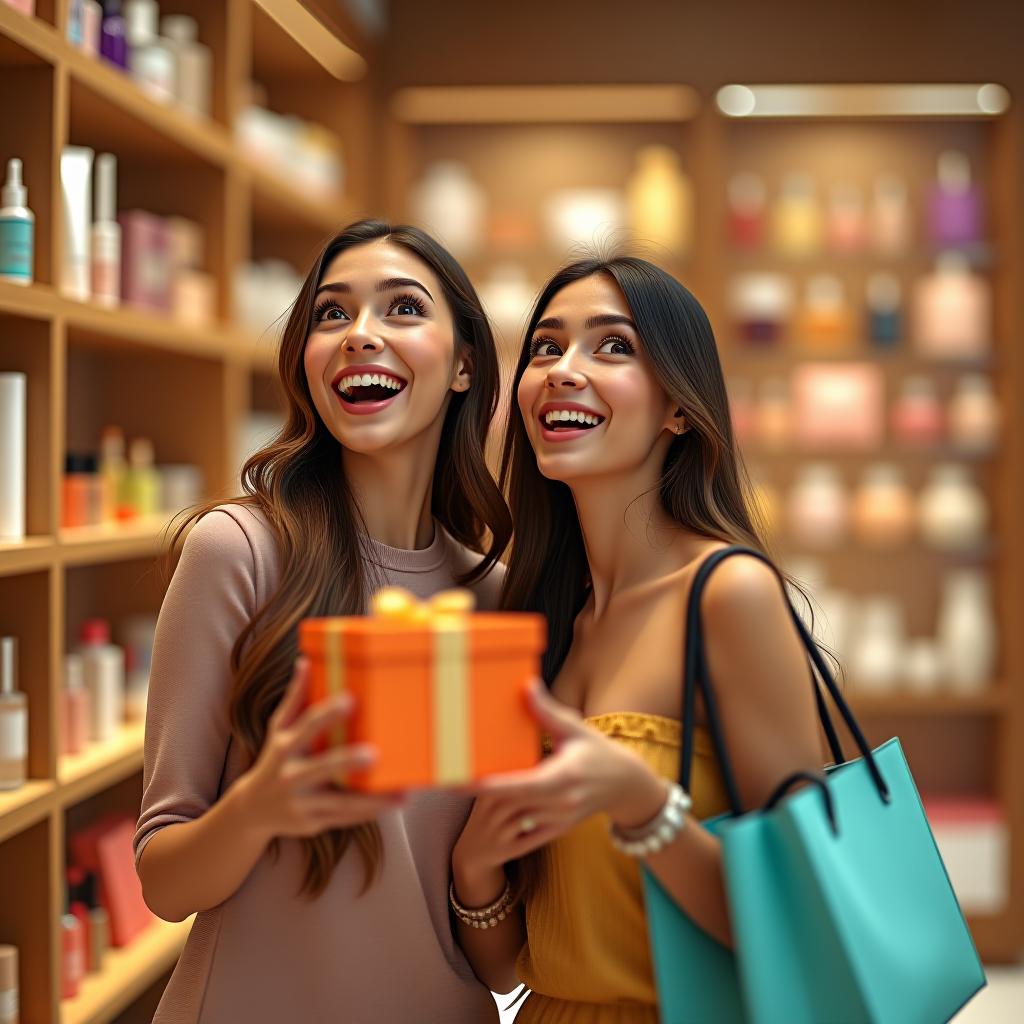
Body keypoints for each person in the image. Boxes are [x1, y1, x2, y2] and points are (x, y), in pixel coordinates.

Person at [134, 219, 509, 1022]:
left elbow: (496, 958)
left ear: (465, 363)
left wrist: (483, 868)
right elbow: (164, 883)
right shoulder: (238, 553)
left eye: (402, 309)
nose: (359, 335)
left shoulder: (494, 599)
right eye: (331, 315)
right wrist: (259, 806)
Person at [451, 256, 825, 1022]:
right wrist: (474, 867)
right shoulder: (538, 619)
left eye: (612, 347)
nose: (563, 370)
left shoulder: (729, 595)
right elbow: (505, 969)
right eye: (546, 347)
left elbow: (800, 926)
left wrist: (643, 806)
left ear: (677, 409)